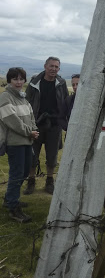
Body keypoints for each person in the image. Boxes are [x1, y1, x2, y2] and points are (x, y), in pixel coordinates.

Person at [24, 57, 69, 195]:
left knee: (52, 155)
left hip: (54, 124)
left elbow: (65, 103)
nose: (53, 69)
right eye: (51, 66)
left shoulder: (61, 83)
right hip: (36, 124)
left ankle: (50, 180)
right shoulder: (34, 82)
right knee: (32, 154)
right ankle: (31, 180)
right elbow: (26, 102)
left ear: (59, 69)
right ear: (45, 66)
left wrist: (63, 121)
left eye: (56, 67)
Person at [0, 67, 39, 223]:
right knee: (17, 174)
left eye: (21, 79)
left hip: (26, 141)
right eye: (15, 79)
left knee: (24, 172)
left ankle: (10, 198)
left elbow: (31, 116)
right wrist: (29, 132)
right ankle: (13, 208)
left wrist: (34, 129)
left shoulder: (23, 97)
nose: (18, 82)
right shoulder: (5, 97)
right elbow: (12, 121)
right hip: (14, 142)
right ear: (9, 80)